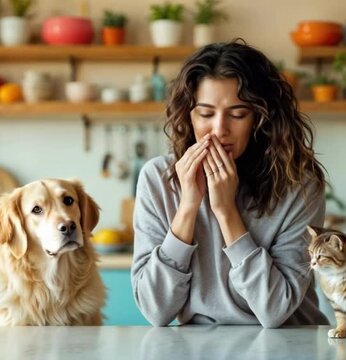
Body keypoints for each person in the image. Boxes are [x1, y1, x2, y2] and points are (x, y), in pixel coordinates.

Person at [131, 39, 328, 328]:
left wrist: (226, 211)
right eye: (206, 113)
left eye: (238, 114)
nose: (219, 129)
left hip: (290, 343)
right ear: (188, 114)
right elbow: (155, 310)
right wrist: (188, 207)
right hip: (200, 346)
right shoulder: (157, 178)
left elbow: (274, 310)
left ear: (261, 118)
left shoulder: (299, 184)